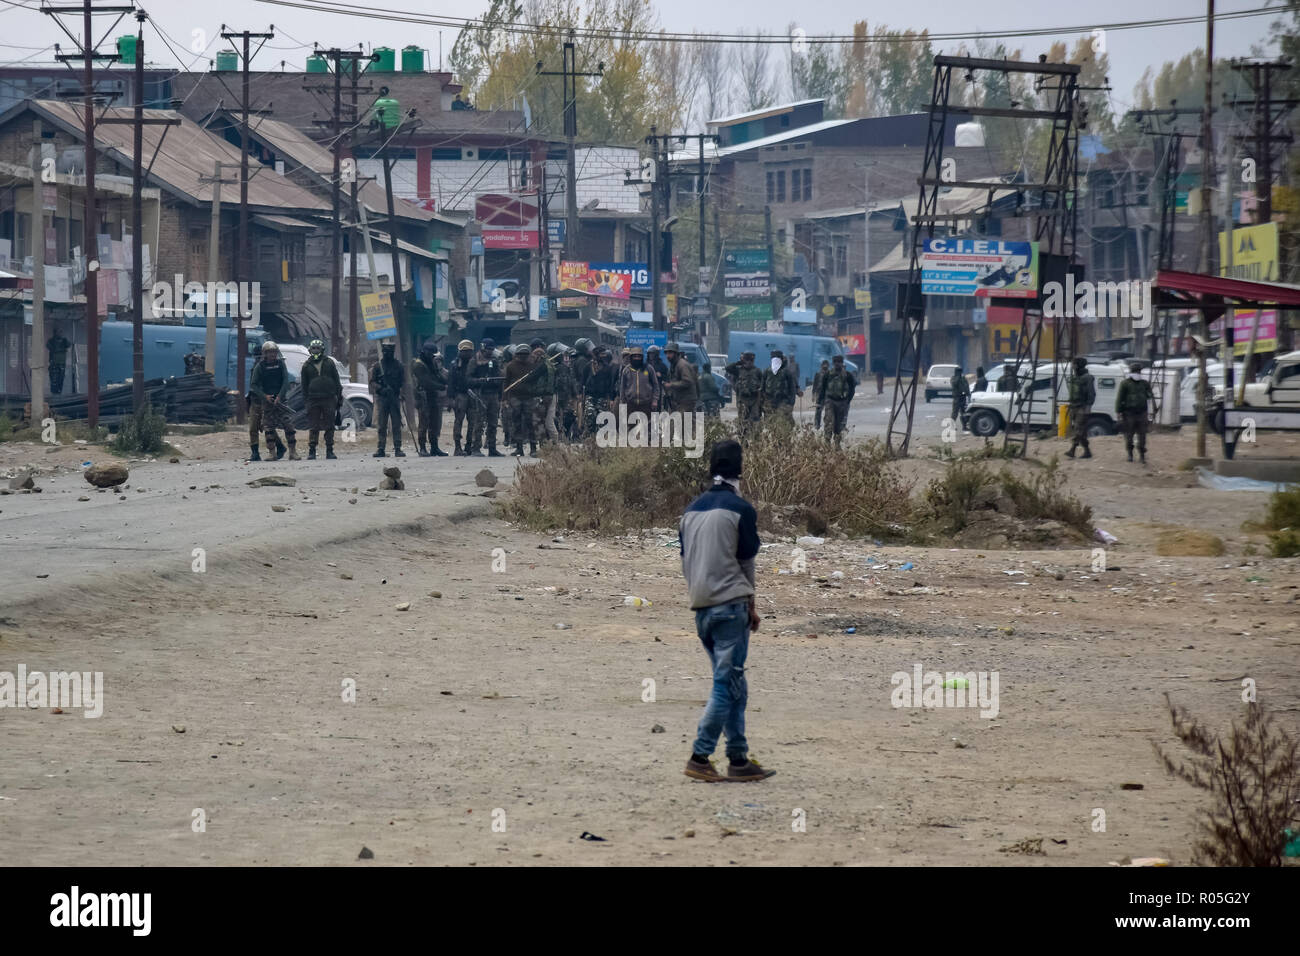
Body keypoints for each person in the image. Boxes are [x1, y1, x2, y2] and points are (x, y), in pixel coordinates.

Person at [679, 439, 774, 783]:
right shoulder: (741, 509)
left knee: (734, 683)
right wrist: (751, 604)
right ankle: (700, 756)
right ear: (740, 469)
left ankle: (738, 757)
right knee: (725, 684)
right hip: (730, 607)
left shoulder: (690, 511)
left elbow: (686, 561)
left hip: (701, 608)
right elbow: (746, 563)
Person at [252, 341, 298, 460]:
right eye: (269, 352)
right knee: (268, 428)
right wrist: (265, 396)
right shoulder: (260, 367)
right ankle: (272, 453)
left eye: (274, 352)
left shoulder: (281, 364)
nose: (272, 355)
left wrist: (280, 396)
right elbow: (254, 385)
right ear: (265, 353)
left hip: (281, 401)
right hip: (267, 402)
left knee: (289, 426)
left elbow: (285, 381)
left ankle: (293, 452)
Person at [300, 338, 342, 460]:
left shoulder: (329, 363)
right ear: (310, 350)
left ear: (322, 349)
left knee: (329, 425)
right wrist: (306, 401)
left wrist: (338, 398)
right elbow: (304, 386)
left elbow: (336, 380)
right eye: (314, 348)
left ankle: (330, 450)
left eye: (318, 348)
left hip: (329, 398)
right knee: (314, 426)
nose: (316, 351)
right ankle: (312, 451)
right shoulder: (306, 366)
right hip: (313, 400)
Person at [467, 338, 505, 456]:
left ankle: (492, 448)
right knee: (479, 422)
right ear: (483, 348)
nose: (490, 352)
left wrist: (497, 384)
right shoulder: (474, 361)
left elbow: (499, 376)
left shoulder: (494, 361)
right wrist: (480, 381)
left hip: (493, 395)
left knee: (493, 423)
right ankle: (475, 448)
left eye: (492, 349)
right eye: (488, 349)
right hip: (480, 395)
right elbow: (468, 379)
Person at [369, 340, 407, 458]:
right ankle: (381, 448)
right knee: (382, 424)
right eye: (385, 351)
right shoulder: (377, 366)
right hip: (383, 398)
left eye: (390, 351)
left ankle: (397, 448)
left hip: (394, 397)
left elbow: (403, 382)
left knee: (396, 424)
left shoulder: (399, 365)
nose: (387, 353)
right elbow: (372, 382)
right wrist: (381, 389)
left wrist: (400, 392)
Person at [411, 339, 448, 456]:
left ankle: (434, 447)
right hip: (423, 397)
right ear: (425, 352)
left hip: (432, 395)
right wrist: (442, 386)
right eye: (431, 354)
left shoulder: (430, 362)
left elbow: (437, 375)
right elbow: (426, 382)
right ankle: (422, 447)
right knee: (424, 423)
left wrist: (448, 382)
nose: (433, 357)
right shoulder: (418, 364)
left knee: (434, 423)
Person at [1115, 361, 1153, 464]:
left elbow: (1150, 398)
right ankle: (1130, 454)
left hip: (1142, 413)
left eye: (1139, 371)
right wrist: (1118, 412)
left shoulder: (1144, 384)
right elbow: (1120, 398)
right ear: (1131, 372)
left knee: (1142, 435)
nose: (1137, 373)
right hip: (1128, 413)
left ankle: (1142, 456)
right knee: (1129, 435)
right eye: (1135, 371)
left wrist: (1150, 413)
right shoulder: (1125, 383)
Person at [820, 354, 856, 447]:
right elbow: (823, 388)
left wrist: (847, 400)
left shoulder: (847, 375)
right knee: (828, 421)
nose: (837, 364)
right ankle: (827, 443)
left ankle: (837, 444)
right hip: (830, 401)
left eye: (839, 362)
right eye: (835, 362)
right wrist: (821, 401)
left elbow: (852, 388)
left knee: (839, 424)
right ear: (833, 363)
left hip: (842, 402)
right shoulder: (828, 375)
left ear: (842, 363)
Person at [1065, 356, 1096, 459]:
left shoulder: (1087, 378)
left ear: (1078, 365)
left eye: (1074, 364)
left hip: (1082, 407)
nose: (1072, 366)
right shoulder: (1075, 377)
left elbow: (1091, 394)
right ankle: (1088, 452)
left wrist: (1088, 407)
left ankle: (1072, 450)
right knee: (1081, 431)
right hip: (1074, 406)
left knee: (1079, 429)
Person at [448, 339, 474, 455]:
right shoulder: (454, 365)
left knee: (473, 422)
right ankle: (457, 447)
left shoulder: (474, 363)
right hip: (460, 395)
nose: (466, 353)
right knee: (458, 421)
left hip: (472, 395)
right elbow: (451, 383)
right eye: (464, 351)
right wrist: (451, 399)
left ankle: (469, 446)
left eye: (468, 351)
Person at [619, 345, 659, 420]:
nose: (637, 358)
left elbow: (655, 385)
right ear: (631, 357)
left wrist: (655, 400)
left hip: (646, 404)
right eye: (635, 356)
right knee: (632, 429)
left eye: (639, 356)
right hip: (631, 404)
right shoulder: (626, 370)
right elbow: (622, 387)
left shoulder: (649, 368)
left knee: (647, 428)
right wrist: (622, 401)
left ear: (642, 357)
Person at [726, 351, 763, 432]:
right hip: (742, 400)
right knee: (742, 421)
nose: (749, 363)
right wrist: (738, 362)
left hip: (754, 401)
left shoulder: (757, 371)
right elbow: (728, 368)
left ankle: (754, 439)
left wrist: (760, 402)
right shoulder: (738, 370)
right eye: (747, 360)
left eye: (751, 360)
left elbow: (762, 386)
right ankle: (743, 439)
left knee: (754, 421)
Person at [761, 349, 799, 424]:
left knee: (783, 422)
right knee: (770, 423)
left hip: (783, 402)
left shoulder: (786, 372)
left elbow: (792, 389)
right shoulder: (767, 372)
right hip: (769, 403)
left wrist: (791, 404)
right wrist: (762, 402)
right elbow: (762, 388)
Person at [662, 341, 699, 414]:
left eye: (670, 353)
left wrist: (671, 385)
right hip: (679, 401)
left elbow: (687, 381)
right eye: (666, 353)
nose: (667, 356)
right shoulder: (673, 365)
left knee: (685, 423)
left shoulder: (682, 365)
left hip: (686, 401)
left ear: (676, 353)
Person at [245, 341, 267, 460]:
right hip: (254, 399)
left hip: (265, 400)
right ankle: (255, 453)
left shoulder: (266, 367)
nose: (258, 358)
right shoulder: (255, 367)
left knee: (267, 426)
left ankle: (278, 448)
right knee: (253, 427)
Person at [46, 327, 71, 395]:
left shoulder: (64, 341)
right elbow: (49, 347)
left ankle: (59, 394)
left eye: (61, 332)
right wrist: (60, 350)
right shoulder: (51, 341)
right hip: (54, 364)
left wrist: (64, 341)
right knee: (54, 381)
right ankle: (54, 395)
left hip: (62, 364)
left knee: (61, 380)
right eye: (59, 332)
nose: (61, 333)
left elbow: (69, 345)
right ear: (55, 333)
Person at [812, 359, 830, 429]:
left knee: (828, 411)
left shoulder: (830, 374)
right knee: (818, 410)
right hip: (819, 395)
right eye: (824, 364)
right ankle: (817, 424)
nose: (825, 366)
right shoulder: (818, 374)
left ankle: (827, 424)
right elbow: (815, 385)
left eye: (826, 364)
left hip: (828, 395)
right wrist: (813, 395)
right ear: (821, 365)